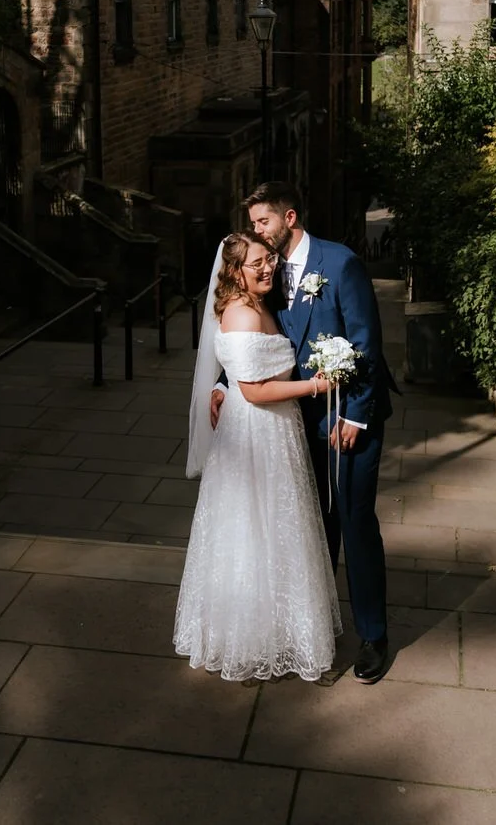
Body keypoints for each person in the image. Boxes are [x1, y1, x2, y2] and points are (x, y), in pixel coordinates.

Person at [213, 181, 396, 683]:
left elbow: (366, 344)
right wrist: (225, 383)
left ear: (288, 218)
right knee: (314, 530)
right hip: (294, 427)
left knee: (355, 524)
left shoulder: (340, 264)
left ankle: (373, 636)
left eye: (262, 222)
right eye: (253, 225)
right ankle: (318, 624)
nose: (256, 231)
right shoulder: (264, 273)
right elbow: (255, 339)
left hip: (347, 421)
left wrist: (356, 414)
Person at [174, 230, 342, 682]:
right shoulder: (243, 314)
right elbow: (254, 389)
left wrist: (220, 384)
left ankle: (283, 631)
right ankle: (248, 637)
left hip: (275, 431)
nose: (267, 268)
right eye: (256, 264)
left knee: (281, 529)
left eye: (269, 259)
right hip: (254, 435)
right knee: (252, 528)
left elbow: (236, 376)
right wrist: (315, 385)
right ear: (234, 272)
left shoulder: (261, 304)